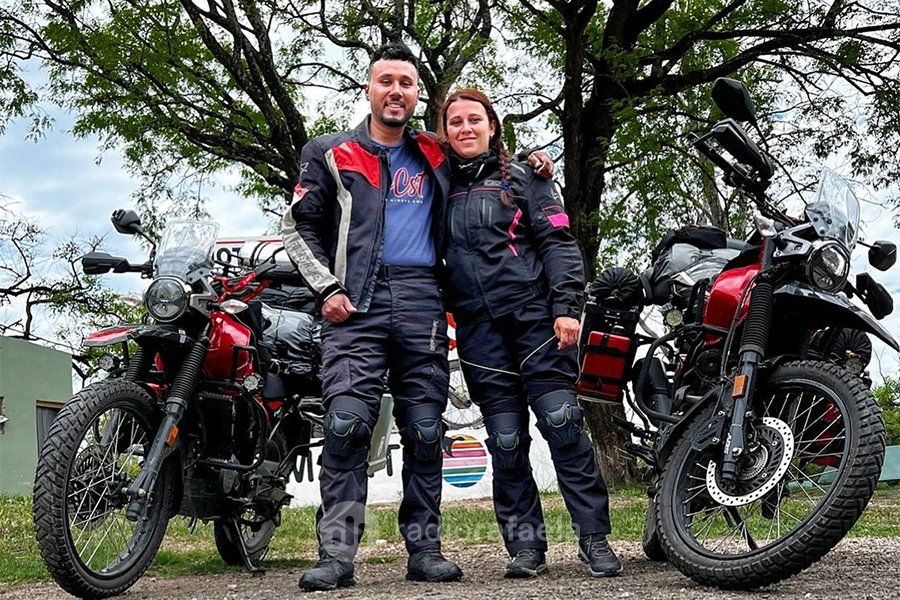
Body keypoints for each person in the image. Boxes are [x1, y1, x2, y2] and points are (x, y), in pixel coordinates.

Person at [282, 44, 552, 592]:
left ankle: (424, 549)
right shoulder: (329, 152)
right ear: (369, 89)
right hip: (354, 301)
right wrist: (325, 287)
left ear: (416, 94)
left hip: (422, 298)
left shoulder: (434, 151)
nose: (396, 91)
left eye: (406, 83)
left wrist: (534, 163)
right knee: (346, 425)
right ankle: (337, 555)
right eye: (386, 81)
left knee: (426, 430)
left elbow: (487, 155)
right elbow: (297, 226)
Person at [437, 88, 622, 579]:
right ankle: (525, 548)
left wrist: (567, 308)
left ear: (492, 126)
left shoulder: (525, 177)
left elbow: (559, 245)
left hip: (536, 322)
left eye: (474, 119)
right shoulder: (436, 185)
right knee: (505, 440)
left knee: (563, 424)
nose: (466, 128)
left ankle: (594, 539)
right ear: (445, 133)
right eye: (455, 122)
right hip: (478, 332)